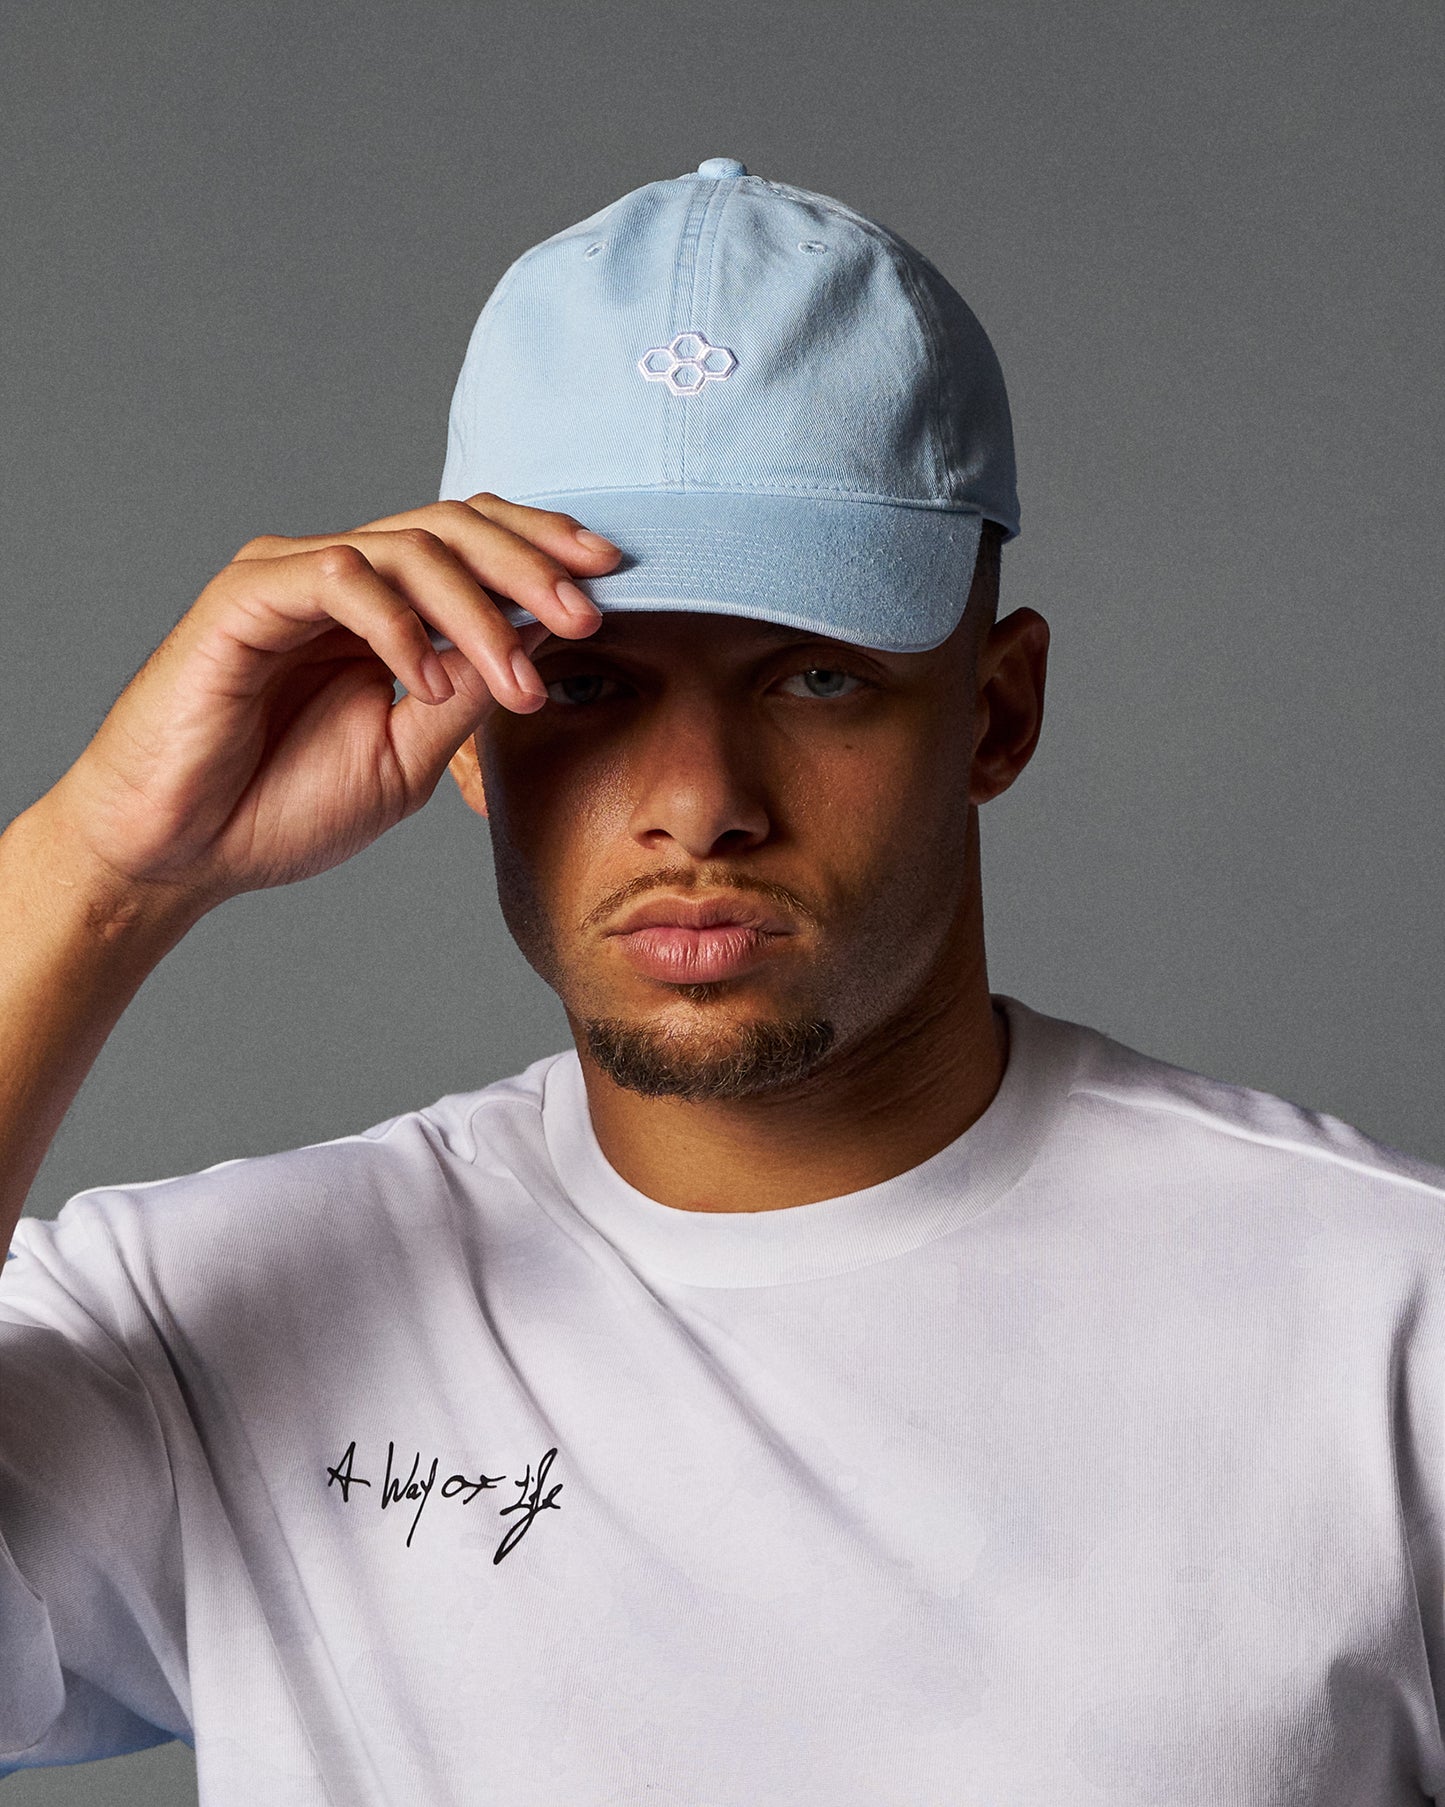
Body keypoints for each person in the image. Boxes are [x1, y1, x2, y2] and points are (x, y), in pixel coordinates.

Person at [1, 155, 1442, 1806]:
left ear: (994, 710)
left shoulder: (1389, 1329)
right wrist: (100, 869)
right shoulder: (192, 1334)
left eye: (815, 672)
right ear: (462, 726)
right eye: (589, 681)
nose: (699, 800)